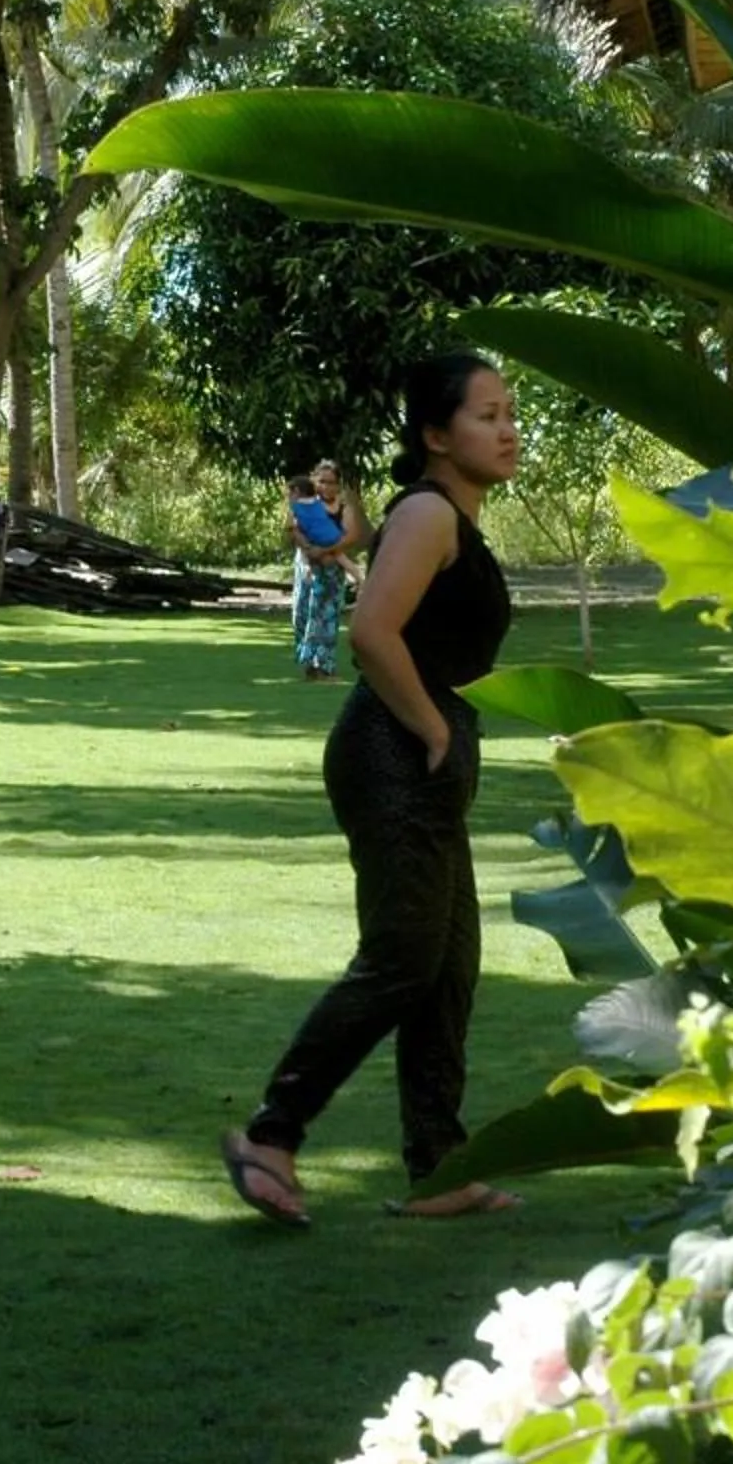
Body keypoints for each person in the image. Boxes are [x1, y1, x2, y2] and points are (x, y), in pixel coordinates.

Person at [223, 355, 520, 1226]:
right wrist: (434, 730)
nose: (507, 431)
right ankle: (272, 1136)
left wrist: (442, 736)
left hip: (420, 750)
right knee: (402, 960)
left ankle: (440, 1169)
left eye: (509, 413)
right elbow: (371, 633)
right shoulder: (428, 514)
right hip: (394, 750)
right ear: (436, 436)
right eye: (486, 416)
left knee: (446, 967)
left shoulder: (455, 519)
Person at [286, 459, 359, 681]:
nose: (326, 487)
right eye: (321, 481)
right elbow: (292, 529)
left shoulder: (344, 508)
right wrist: (310, 550)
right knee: (302, 614)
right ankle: (309, 663)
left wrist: (326, 550)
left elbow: (351, 536)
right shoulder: (305, 504)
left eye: (331, 482)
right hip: (307, 565)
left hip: (331, 569)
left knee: (326, 618)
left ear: (338, 484)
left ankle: (325, 666)